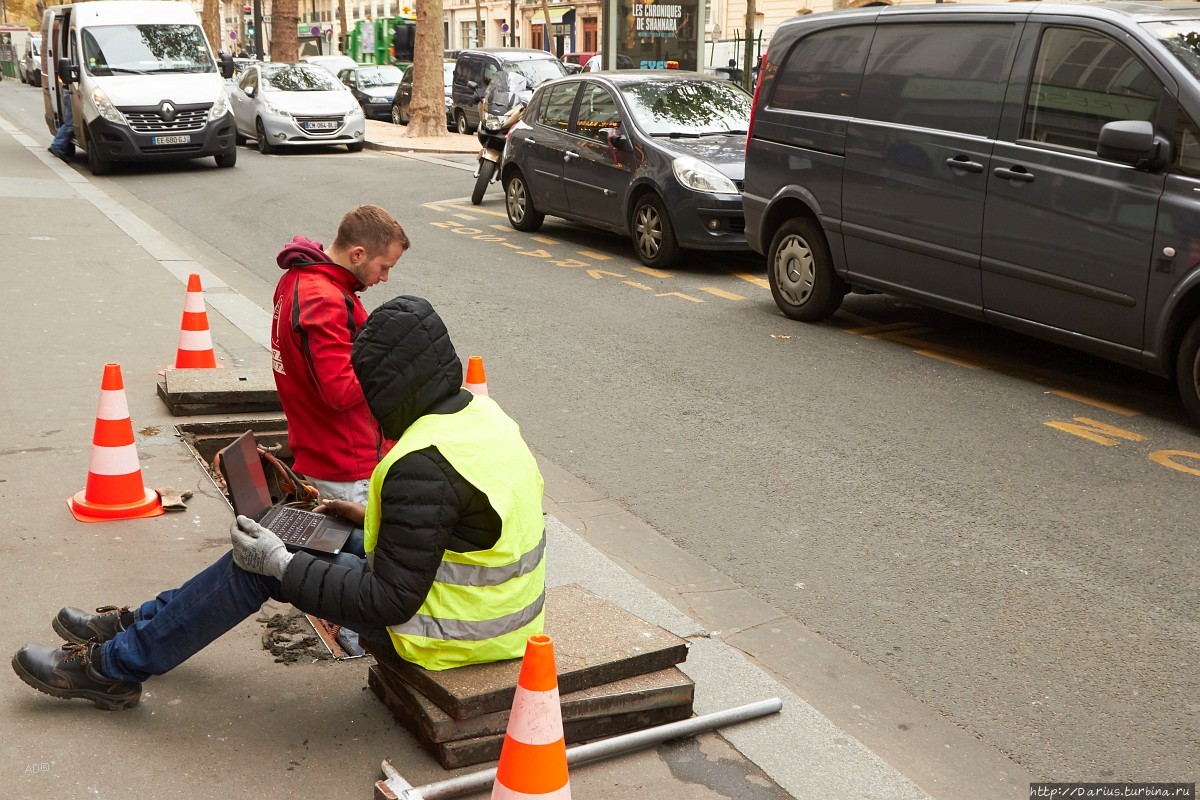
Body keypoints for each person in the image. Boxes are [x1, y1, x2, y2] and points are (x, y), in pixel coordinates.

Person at [11, 295, 547, 710]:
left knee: (261, 565)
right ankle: (138, 626)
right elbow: (458, 531)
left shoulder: (420, 463)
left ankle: (113, 668)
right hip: (489, 616)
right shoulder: (482, 419)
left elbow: (387, 601)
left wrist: (282, 566)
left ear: (389, 387)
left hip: (453, 636)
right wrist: (361, 519)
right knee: (281, 535)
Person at [272, 204, 408, 505]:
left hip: (324, 450)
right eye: (384, 266)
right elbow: (341, 391)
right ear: (358, 254)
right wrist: (391, 360)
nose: (384, 277)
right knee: (369, 550)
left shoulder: (299, 279)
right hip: (347, 466)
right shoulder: (324, 300)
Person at [48, 79, 73, 162]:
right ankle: (57, 145)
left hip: (68, 92)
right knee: (70, 123)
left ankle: (58, 145)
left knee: (70, 122)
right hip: (70, 93)